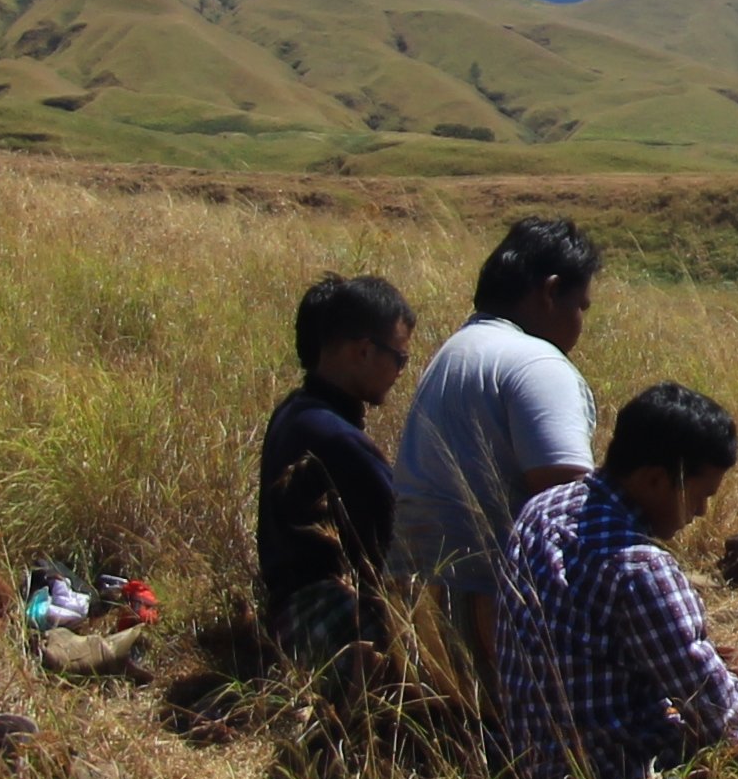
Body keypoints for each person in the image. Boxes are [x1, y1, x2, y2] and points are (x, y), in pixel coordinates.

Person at [494, 381, 738, 779]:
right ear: (656, 479)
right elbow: (720, 713)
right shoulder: (639, 567)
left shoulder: (543, 509)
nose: (703, 511)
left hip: (537, 764)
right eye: (700, 495)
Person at [389, 217, 599, 663]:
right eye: (581, 306)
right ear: (550, 291)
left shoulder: (458, 351)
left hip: (415, 615)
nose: (580, 323)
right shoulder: (538, 363)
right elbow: (572, 510)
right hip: (490, 616)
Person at [255, 272, 413, 690]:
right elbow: (398, 547)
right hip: (324, 621)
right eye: (399, 358)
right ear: (363, 351)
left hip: (288, 615)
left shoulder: (296, 410)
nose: (400, 372)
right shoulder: (339, 439)